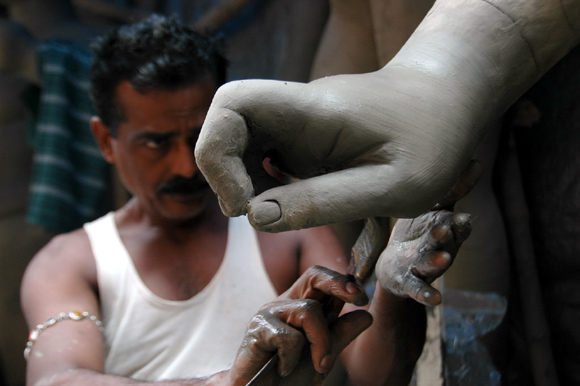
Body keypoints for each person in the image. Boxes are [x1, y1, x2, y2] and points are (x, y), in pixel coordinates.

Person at [21, 15, 472, 386]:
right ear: (105, 139)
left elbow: (371, 378)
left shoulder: (287, 230)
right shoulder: (70, 262)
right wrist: (224, 383)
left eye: (198, 138)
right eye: (156, 143)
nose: (184, 166)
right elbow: (57, 380)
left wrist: (394, 293)